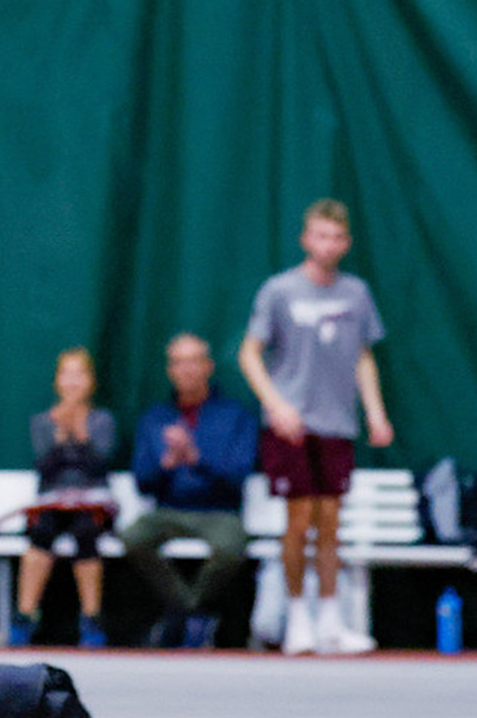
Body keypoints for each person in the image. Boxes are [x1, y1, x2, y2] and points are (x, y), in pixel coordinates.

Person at [238, 198, 393, 656]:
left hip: (337, 424)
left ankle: (330, 619)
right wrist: (276, 405)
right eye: (319, 235)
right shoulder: (279, 291)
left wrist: (376, 413)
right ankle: (297, 618)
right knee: (297, 521)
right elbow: (250, 353)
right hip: (291, 427)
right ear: (306, 239)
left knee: (330, 525)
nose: (327, 244)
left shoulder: (356, 295)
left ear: (346, 243)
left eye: (336, 237)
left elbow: (364, 357)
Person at [122, 332, 259, 650]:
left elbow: (238, 475)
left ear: (208, 366)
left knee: (230, 547)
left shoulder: (235, 415)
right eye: (178, 363)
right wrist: (167, 463)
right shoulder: (155, 417)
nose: (186, 370)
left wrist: (197, 459)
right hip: (169, 509)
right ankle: (192, 612)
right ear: (170, 370)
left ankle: (181, 614)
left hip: (219, 511)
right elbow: (143, 482)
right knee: (132, 537)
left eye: (193, 362)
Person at [8, 347, 116, 649]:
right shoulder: (42, 422)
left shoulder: (102, 420)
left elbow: (100, 461)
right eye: (66, 374)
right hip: (51, 504)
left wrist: (80, 433)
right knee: (40, 532)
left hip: (90, 506)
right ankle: (24, 616)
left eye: (79, 374)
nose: (73, 382)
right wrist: (59, 438)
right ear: (57, 381)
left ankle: (92, 620)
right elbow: (44, 466)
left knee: (86, 533)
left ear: (91, 381)